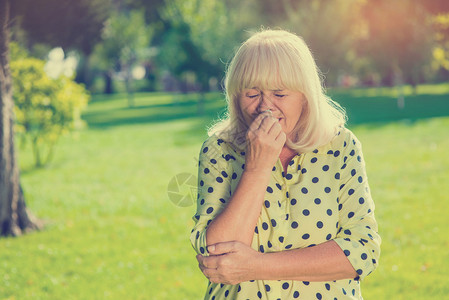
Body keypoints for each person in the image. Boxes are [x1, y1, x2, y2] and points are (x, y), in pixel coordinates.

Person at [190, 29, 381, 300]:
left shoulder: (340, 147)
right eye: (252, 93)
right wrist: (258, 167)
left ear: (305, 96)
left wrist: (254, 266)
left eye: (280, 94)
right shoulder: (219, 150)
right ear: (235, 96)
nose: (265, 107)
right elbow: (217, 257)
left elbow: (363, 252)